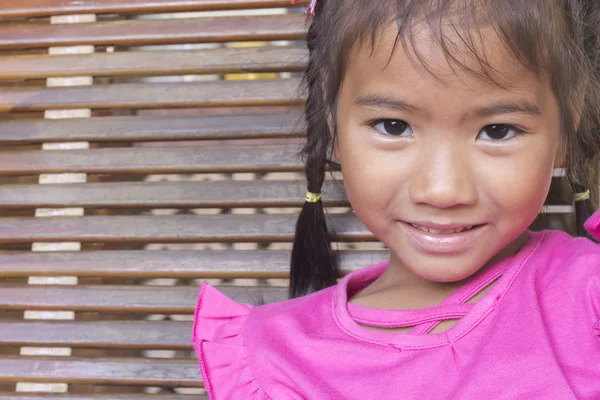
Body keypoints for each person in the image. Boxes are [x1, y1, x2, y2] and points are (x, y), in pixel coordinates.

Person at [192, 0, 600, 398]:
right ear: (331, 114)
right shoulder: (273, 360)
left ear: (571, 115)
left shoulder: (587, 301)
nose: (442, 190)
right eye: (393, 126)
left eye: (497, 131)